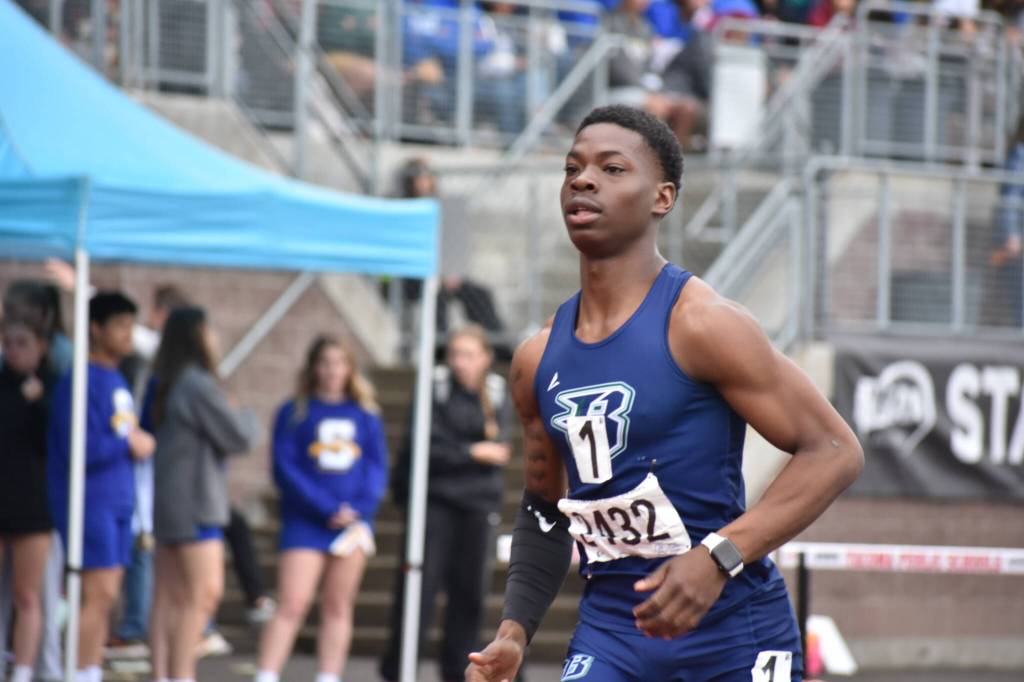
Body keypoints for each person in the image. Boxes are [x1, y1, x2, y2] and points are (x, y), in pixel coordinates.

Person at [466, 105, 864, 682]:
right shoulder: (536, 357)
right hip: (612, 632)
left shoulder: (703, 324)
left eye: (612, 168)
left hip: (733, 633)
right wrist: (513, 631)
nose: (583, 179)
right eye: (572, 167)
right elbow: (546, 510)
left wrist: (717, 556)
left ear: (663, 198)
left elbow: (834, 451)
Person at [380, 325, 514, 682]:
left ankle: (458, 672)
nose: (460, 363)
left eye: (469, 355)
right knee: (418, 591)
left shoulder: (497, 392)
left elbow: (500, 448)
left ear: (485, 358)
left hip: (477, 505)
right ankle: (399, 669)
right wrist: (471, 452)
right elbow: (424, 447)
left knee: (469, 593)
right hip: (435, 502)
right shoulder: (434, 390)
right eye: (455, 354)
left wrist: (465, 453)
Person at [254, 336, 388, 682]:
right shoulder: (294, 410)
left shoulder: (365, 415)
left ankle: (329, 675)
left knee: (338, 605)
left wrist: (358, 508)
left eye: (339, 363)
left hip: (352, 526)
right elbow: (285, 468)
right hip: (305, 522)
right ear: (314, 367)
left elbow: (375, 468)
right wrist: (325, 507)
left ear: (350, 368)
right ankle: (266, 674)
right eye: (325, 363)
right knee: (292, 603)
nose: (331, 371)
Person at [47, 292, 156, 682]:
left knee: (107, 595)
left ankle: (89, 670)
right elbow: (78, 446)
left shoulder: (117, 379)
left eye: (131, 325)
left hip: (118, 500)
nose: (128, 334)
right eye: (121, 325)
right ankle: (78, 673)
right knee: (95, 596)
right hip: (90, 500)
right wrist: (127, 443)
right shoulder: (79, 380)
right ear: (95, 329)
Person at [148, 307, 261, 682]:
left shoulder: (165, 380)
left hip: (169, 502)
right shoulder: (197, 384)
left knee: (169, 597)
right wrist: (244, 411)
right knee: (201, 596)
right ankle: (182, 674)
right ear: (198, 334)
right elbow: (239, 436)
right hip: (195, 504)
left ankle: (165, 674)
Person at [0, 310, 55, 682]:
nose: (14, 352)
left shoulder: (48, 389)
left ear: (40, 348)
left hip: (33, 503)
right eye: (9, 344)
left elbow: (53, 443)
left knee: (28, 594)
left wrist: (39, 403)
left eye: (23, 344)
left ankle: (23, 670)